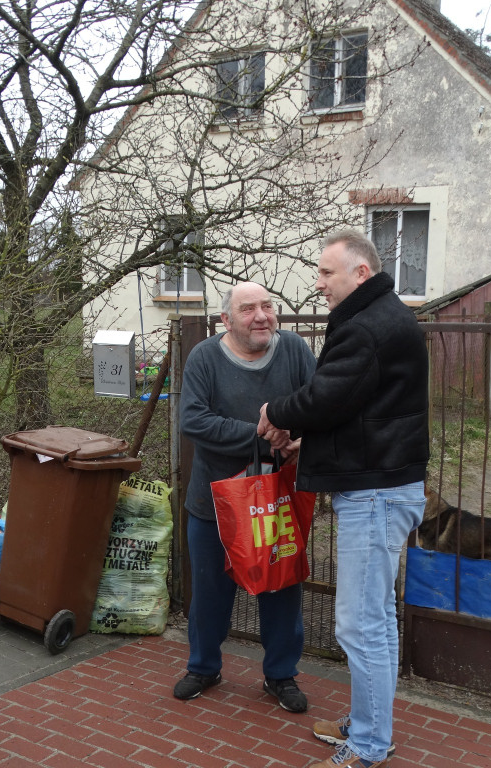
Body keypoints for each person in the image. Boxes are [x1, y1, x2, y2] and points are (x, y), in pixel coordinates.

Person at [257, 230, 429, 768]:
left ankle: (371, 746)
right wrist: (309, 438)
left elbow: (327, 394)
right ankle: (370, 723)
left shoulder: (368, 327)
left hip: (375, 496)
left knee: (360, 624)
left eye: (327, 272)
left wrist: (277, 414)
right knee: (375, 618)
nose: (319, 282)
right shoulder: (383, 317)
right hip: (381, 486)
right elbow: (359, 412)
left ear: (360, 272)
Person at [175, 281, 317, 712]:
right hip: (213, 503)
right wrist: (263, 435)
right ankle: (203, 666)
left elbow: (322, 406)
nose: (261, 316)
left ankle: (280, 675)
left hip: (277, 500)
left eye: (268, 306)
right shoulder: (204, 357)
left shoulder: (294, 350)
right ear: (226, 320)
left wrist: (301, 441)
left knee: (282, 587)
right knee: (209, 594)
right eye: (248, 309)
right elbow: (194, 421)